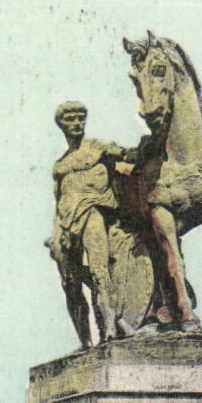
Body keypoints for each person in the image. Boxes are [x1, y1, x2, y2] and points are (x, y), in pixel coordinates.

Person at [48, 101, 129, 348]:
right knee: (69, 282)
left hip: (94, 213)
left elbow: (129, 157)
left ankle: (111, 329)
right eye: (70, 119)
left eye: (80, 118)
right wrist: (55, 233)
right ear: (61, 125)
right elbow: (58, 200)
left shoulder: (99, 148)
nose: (76, 123)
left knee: (99, 270)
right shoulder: (59, 166)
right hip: (65, 223)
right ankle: (84, 341)